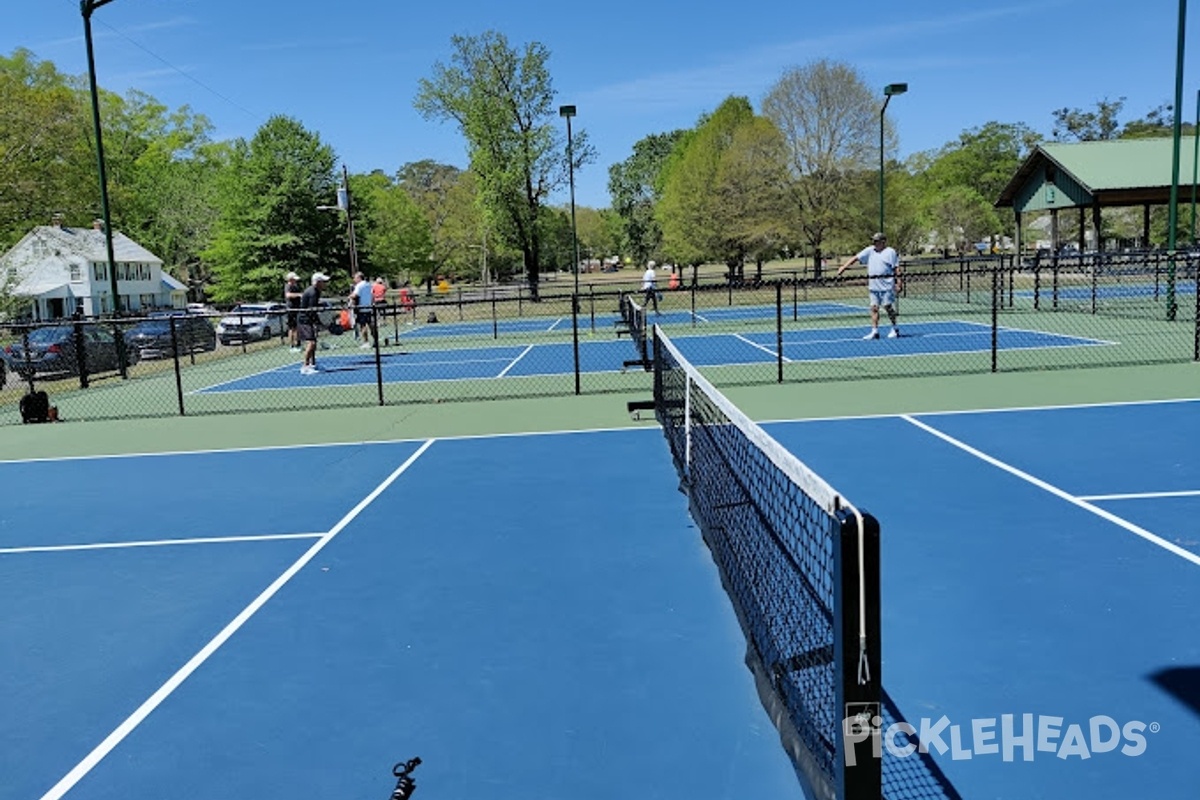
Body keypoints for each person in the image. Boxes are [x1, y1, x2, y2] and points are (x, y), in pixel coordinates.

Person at [837, 232, 902, 339]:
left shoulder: (890, 252)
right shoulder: (870, 250)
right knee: (874, 308)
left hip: (887, 286)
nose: (874, 243)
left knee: (887, 307)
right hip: (874, 286)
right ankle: (875, 331)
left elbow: (896, 268)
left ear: (883, 242)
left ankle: (895, 328)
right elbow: (856, 258)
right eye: (873, 241)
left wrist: (899, 283)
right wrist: (844, 267)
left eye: (877, 241)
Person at [299, 272, 330, 374]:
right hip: (305, 320)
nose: (325, 284)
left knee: (314, 343)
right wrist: (319, 322)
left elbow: (314, 307)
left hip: (309, 319)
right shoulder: (312, 292)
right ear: (317, 282)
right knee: (311, 343)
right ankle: (305, 366)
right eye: (323, 282)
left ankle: (312, 364)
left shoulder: (316, 291)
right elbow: (312, 310)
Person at [349, 271, 374, 348]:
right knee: (370, 325)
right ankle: (375, 340)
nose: (354, 279)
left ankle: (366, 342)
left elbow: (355, 295)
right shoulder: (368, 284)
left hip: (361, 308)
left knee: (363, 326)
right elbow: (371, 295)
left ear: (359, 278)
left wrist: (349, 296)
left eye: (355, 278)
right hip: (368, 307)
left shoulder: (359, 285)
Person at [284, 271, 303, 352]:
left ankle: (298, 343)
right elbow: (288, 295)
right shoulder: (288, 286)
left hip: (297, 309)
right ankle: (292, 345)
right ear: (290, 279)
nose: (295, 280)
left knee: (297, 327)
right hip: (291, 309)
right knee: (292, 328)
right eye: (294, 279)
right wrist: (298, 295)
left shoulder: (295, 286)